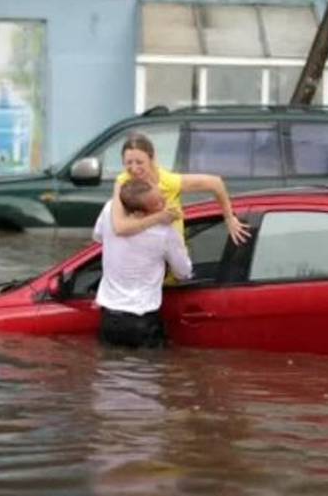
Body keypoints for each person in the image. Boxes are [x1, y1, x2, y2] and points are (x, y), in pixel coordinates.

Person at [92, 178, 193, 349]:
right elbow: (183, 272)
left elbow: (98, 236)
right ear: (139, 213)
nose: (165, 203)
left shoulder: (109, 211)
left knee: (109, 372)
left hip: (110, 320)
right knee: (146, 372)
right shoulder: (166, 232)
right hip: (143, 322)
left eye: (162, 197)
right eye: (158, 204)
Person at [109, 132, 250, 245]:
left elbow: (216, 183)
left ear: (152, 159)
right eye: (128, 163)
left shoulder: (168, 182)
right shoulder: (123, 183)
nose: (134, 169)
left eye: (140, 162)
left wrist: (229, 218)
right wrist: (159, 218)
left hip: (173, 256)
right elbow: (120, 227)